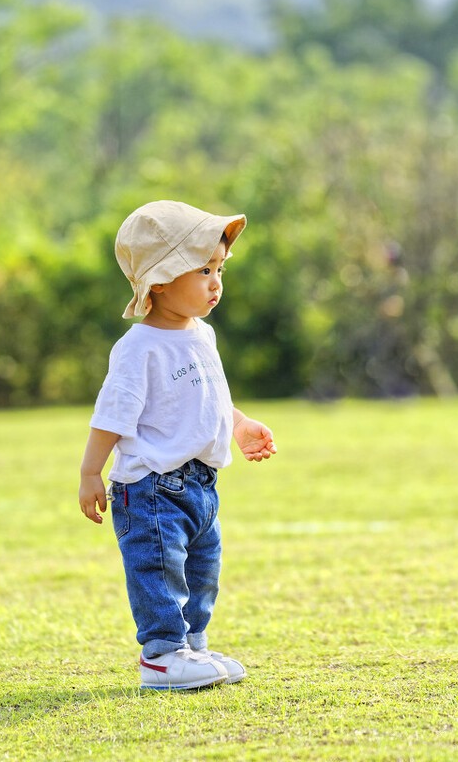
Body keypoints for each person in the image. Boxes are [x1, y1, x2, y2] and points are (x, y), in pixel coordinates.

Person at [78, 200, 277, 691]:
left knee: (201, 569)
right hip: (150, 488)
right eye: (203, 270)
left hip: (201, 486)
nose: (216, 282)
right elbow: (112, 415)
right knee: (160, 571)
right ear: (161, 280)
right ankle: (163, 655)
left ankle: (193, 646)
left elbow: (205, 399)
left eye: (219, 269)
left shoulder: (201, 335)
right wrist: (89, 473)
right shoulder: (138, 348)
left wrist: (240, 424)